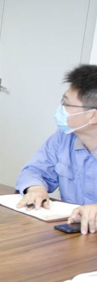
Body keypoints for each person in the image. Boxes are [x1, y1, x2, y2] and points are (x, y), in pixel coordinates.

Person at [16, 65, 97, 234]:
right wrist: (36, 187)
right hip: (73, 232)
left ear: (92, 115)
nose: (61, 109)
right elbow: (34, 170)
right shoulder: (64, 137)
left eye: (66, 104)